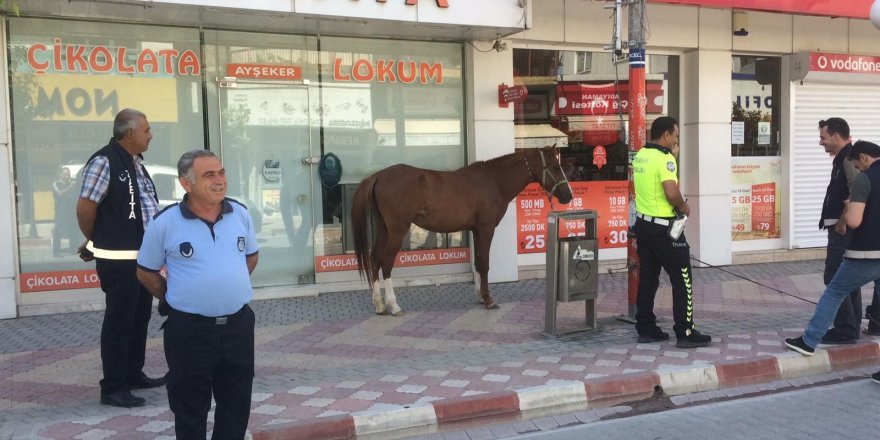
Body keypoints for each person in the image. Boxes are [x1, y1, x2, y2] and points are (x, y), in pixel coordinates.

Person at [137, 149, 259, 440]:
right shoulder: (165, 223)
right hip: (189, 331)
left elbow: (251, 258)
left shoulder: (240, 213)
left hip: (238, 327)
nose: (219, 181)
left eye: (222, 172)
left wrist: (224, 284)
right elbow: (145, 272)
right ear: (186, 184)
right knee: (190, 407)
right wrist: (174, 296)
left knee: (236, 407)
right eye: (209, 175)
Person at [75, 108, 165, 408]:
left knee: (139, 317)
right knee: (120, 321)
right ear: (130, 133)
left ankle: (132, 373)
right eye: (147, 129)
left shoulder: (135, 162)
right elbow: (86, 208)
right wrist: (94, 240)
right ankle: (113, 386)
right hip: (119, 258)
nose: (151, 135)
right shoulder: (105, 161)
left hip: (142, 257)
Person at [785, 140, 880, 385]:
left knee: (835, 290)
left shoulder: (865, 179)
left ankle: (808, 341)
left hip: (867, 252)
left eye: (857, 164)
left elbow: (855, 221)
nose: (858, 168)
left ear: (863, 157)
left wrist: (848, 210)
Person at [632, 116, 711, 348]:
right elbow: (671, 193)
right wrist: (684, 207)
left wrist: (672, 158)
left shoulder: (641, 155)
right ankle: (685, 331)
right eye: (675, 135)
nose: (677, 140)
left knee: (648, 278)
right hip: (665, 228)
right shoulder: (665, 159)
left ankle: (645, 328)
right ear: (666, 135)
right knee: (683, 278)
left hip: (644, 226)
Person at [816, 118, 863, 344]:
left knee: (834, 277)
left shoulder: (848, 158)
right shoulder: (842, 158)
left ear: (836, 136)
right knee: (848, 278)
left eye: (823, 137)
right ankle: (850, 328)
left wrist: (844, 220)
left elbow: (856, 191)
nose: (820, 142)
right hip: (839, 227)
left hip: (842, 229)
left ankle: (845, 328)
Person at [52, 165, 77, 257]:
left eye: (68, 174)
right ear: (60, 175)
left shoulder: (71, 183)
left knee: (72, 229)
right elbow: (60, 194)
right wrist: (71, 186)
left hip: (71, 210)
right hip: (60, 210)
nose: (67, 176)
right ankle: (56, 251)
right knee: (58, 230)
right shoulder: (56, 183)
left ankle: (73, 249)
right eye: (65, 174)